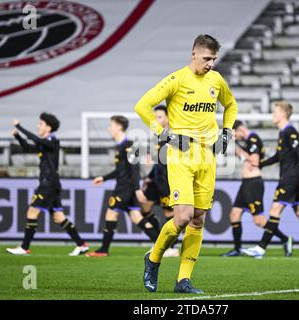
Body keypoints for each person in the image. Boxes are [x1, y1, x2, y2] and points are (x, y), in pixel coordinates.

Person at [135, 34, 238, 294]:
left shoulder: (216, 80)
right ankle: (154, 258)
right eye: (206, 58)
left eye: (213, 59)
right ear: (194, 54)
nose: (210, 64)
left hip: (208, 156)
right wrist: (163, 134)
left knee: (199, 220)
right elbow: (142, 105)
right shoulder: (177, 79)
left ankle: (183, 280)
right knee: (182, 217)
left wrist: (226, 132)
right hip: (181, 155)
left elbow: (231, 105)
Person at [241, 102, 299, 260]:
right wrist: (260, 164)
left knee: (274, 211)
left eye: (275, 112)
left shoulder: (290, 132)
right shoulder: (283, 133)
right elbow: (278, 157)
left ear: (283, 114)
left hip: (290, 178)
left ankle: (260, 248)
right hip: (293, 178)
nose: (273, 115)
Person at [6, 113, 88, 256]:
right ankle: (81, 245)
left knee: (32, 211)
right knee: (59, 217)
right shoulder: (45, 143)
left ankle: (24, 247)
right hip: (52, 184)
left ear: (48, 128)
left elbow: (35, 139)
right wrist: (18, 136)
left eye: (41, 124)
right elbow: (28, 148)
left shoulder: (52, 141)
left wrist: (20, 127)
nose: (38, 126)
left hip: (48, 184)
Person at [85, 115, 160, 257]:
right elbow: (121, 170)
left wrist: (137, 189)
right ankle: (161, 245)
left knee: (111, 213)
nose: (109, 128)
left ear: (119, 127)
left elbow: (135, 168)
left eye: (111, 125)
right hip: (126, 186)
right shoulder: (120, 146)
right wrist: (104, 178)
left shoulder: (129, 144)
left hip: (125, 187)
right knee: (136, 216)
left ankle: (103, 250)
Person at [221, 120, 292, 257]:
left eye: (235, 135)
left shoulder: (253, 139)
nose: (235, 138)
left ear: (240, 130)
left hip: (253, 183)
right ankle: (237, 249)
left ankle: (284, 239)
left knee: (259, 220)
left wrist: (237, 148)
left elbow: (254, 161)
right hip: (246, 183)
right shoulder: (248, 142)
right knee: (234, 214)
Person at [135, 105, 179, 258]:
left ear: (168, 117)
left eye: (160, 117)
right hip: (156, 178)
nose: (156, 120)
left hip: (169, 179)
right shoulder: (157, 136)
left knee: (169, 212)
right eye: (155, 117)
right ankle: (158, 239)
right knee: (143, 206)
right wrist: (149, 176)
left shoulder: (174, 134)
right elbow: (158, 161)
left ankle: (170, 247)